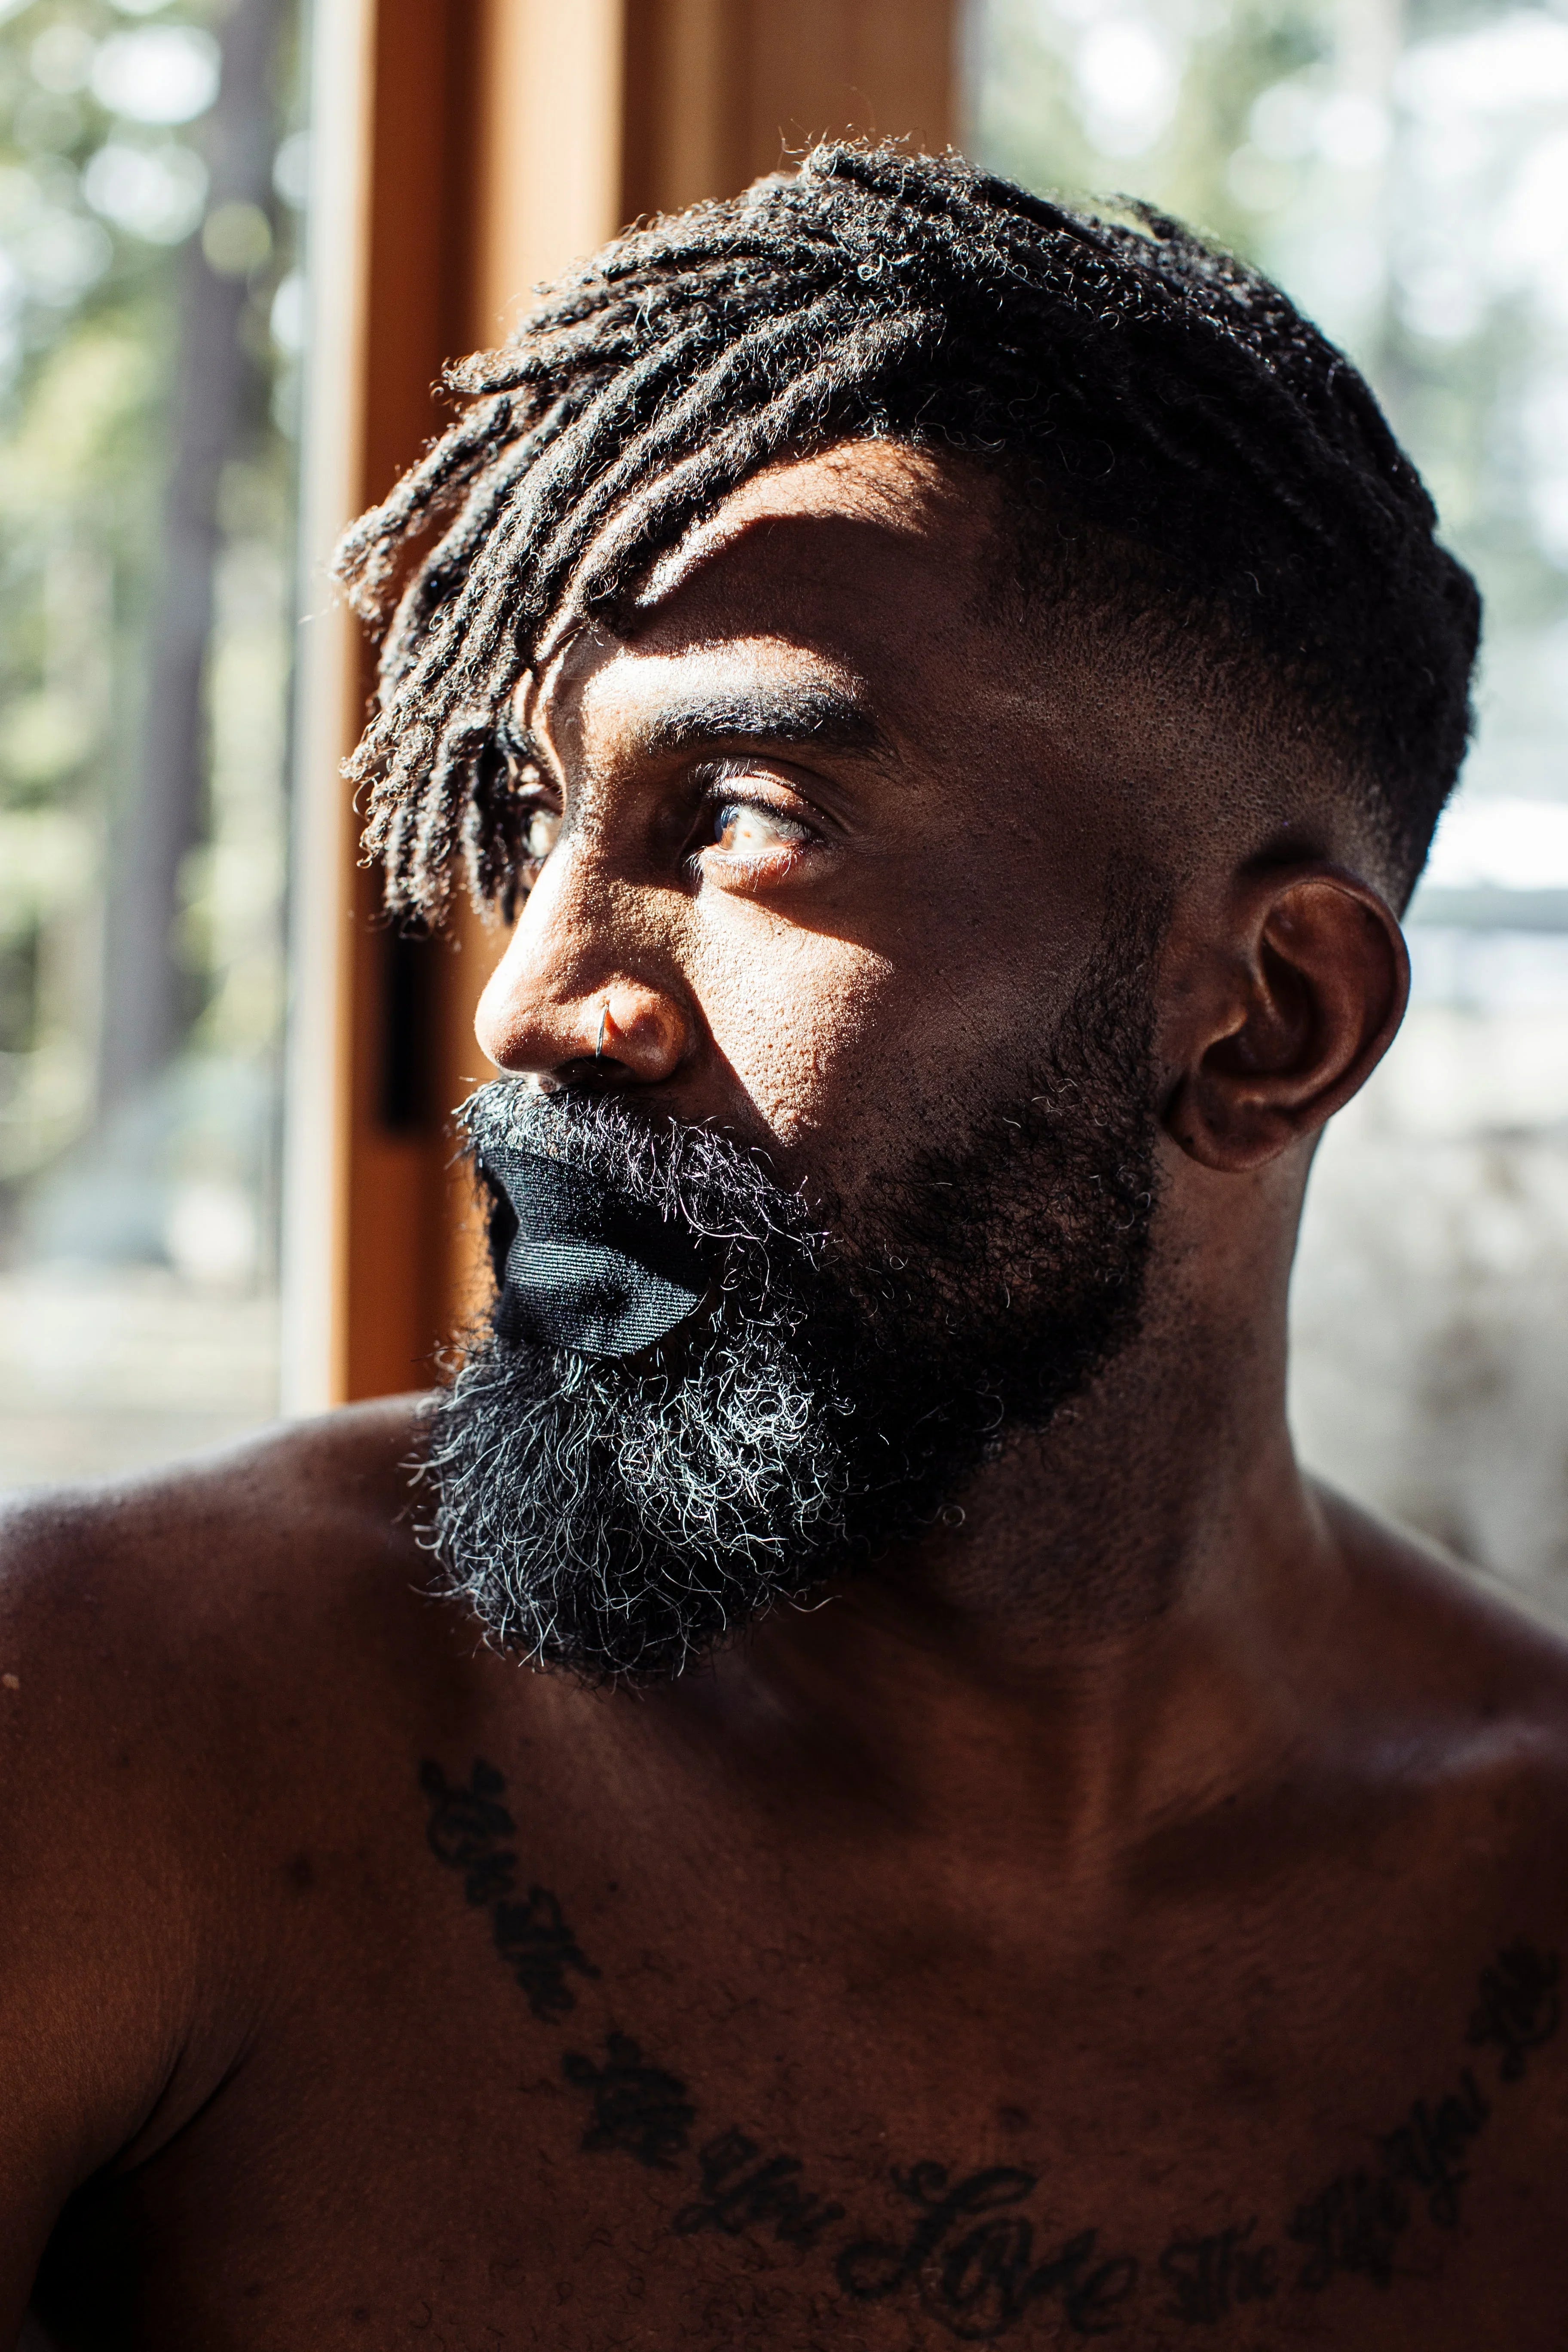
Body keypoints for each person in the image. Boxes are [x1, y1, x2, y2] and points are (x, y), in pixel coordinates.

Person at [3, 142, 1565, 2349]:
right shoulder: (116, 1736)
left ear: (1269, 1025)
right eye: (534, 817)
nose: (534, 998)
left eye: (740, 815)